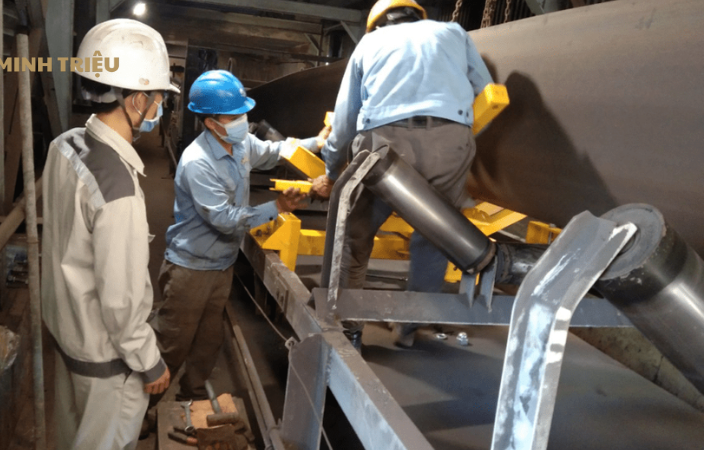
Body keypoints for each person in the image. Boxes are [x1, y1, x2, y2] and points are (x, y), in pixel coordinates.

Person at [310, 0, 493, 348]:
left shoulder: (369, 43)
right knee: (436, 235)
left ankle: (347, 327)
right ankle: (409, 326)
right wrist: (457, 138)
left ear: (378, 23)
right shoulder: (454, 32)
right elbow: (486, 91)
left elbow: (346, 119)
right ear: (416, 15)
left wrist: (332, 171)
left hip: (385, 145)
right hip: (450, 142)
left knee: (354, 235)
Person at [41, 19, 177, 450]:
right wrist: (149, 361)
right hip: (106, 361)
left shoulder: (64, 145)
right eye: (158, 98)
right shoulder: (119, 190)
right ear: (136, 98)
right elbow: (120, 298)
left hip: (66, 337)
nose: (159, 108)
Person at [152, 70, 309, 401]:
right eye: (234, 116)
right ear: (211, 123)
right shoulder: (198, 162)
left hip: (221, 264)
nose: (242, 121)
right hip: (191, 270)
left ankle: (191, 399)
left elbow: (275, 151)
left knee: (207, 343)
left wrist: (318, 143)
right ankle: (142, 412)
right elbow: (224, 219)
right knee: (171, 344)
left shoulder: (241, 144)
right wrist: (277, 206)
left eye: (243, 113)